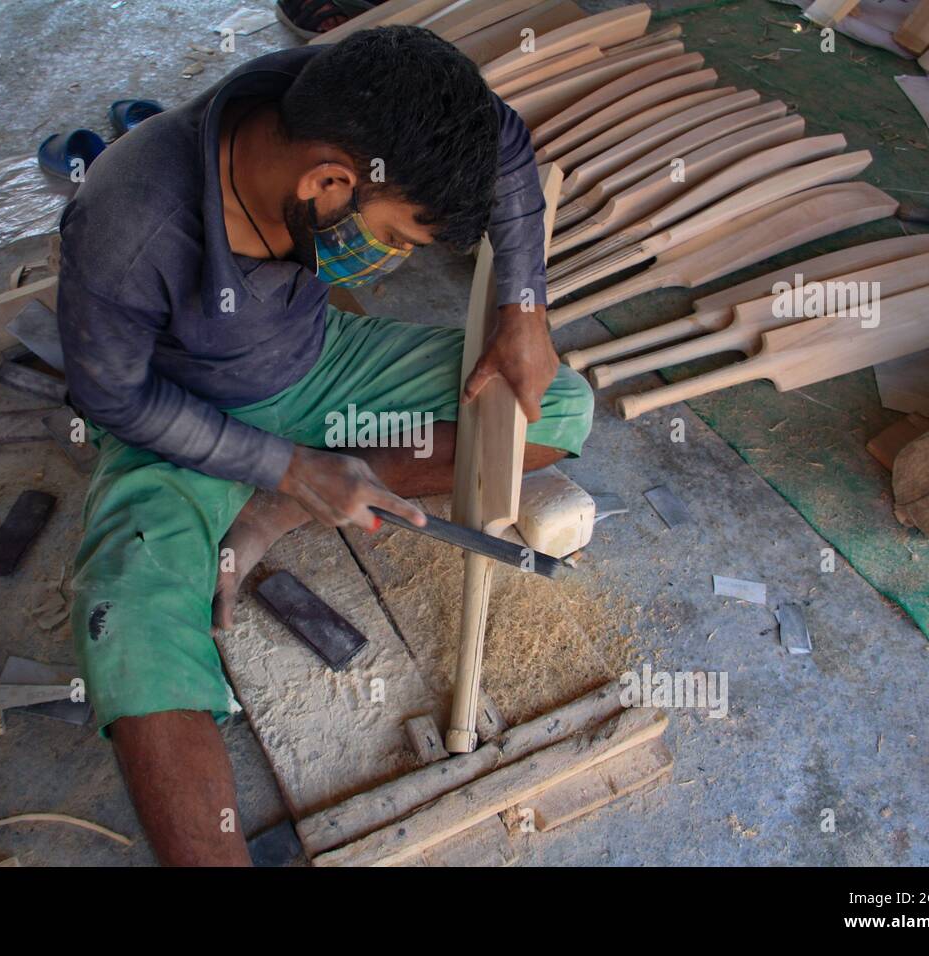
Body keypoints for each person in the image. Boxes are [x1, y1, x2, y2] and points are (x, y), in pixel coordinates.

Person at [56, 26, 594, 865]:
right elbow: (110, 395)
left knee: (551, 404)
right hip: (186, 420)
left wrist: (523, 307)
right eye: (396, 238)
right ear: (329, 181)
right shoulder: (128, 220)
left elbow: (507, 140)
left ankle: (279, 511)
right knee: (128, 616)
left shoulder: (335, 90)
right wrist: (280, 461)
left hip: (324, 364)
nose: (387, 259)